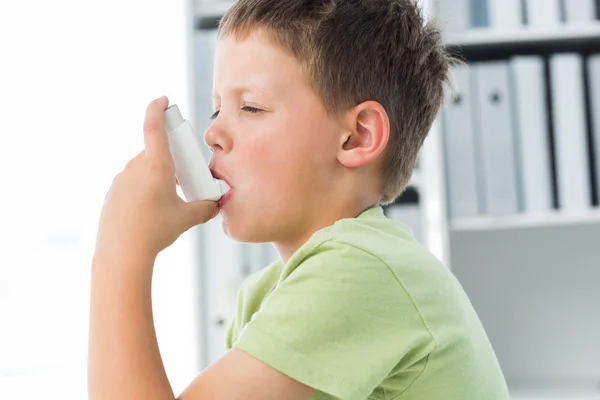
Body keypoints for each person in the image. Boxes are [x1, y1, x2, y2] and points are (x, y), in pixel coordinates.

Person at [88, 0, 510, 399]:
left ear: (357, 135)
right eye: (218, 110)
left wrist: (120, 251)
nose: (212, 134)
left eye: (250, 107)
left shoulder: (361, 269)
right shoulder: (265, 296)